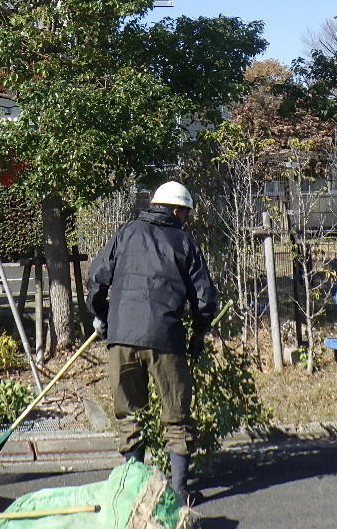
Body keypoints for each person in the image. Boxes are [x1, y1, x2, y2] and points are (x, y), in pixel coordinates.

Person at [86, 181, 218, 503]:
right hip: (166, 338)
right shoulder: (185, 241)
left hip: (122, 336)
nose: (186, 219)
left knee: (128, 413)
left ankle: (134, 488)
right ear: (176, 210)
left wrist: (102, 317)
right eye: (185, 213)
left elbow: (97, 277)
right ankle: (179, 490)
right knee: (176, 413)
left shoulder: (126, 232)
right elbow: (204, 297)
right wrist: (199, 332)